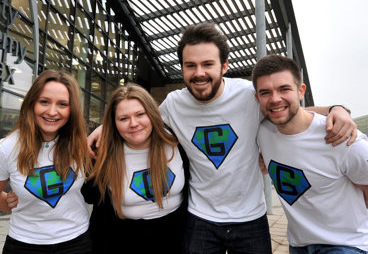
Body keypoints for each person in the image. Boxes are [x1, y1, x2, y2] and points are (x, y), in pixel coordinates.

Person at [87, 23, 357, 254]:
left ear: (224, 66)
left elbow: (290, 110)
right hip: (200, 218)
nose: (199, 72)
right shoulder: (172, 104)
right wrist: (106, 128)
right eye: (190, 65)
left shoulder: (248, 95)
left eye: (207, 64)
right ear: (182, 68)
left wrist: (336, 109)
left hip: (250, 217)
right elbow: (137, 119)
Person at [253, 54, 368, 254]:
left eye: (284, 89)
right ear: (257, 98)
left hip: (345, 245)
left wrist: (337, 109)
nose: (275, 99)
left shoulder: (343, 138)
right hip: (298, 244)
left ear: (301, 91)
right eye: (265, 92)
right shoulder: (263, 131)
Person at [81, 83, 187, 253]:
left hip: (175, 239)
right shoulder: (103, 152)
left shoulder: (176, 140)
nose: (133, 123)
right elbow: (89, 195)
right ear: (113, 123)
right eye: (123, 118)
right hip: (121, 241)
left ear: (152, 114)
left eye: (140, 114)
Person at [0, 70, 92, 254]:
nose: (52, 111)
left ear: (71, 109)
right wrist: (4, 202)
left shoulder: (82, 145)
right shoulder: (7, 147)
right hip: (24, 243)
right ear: (31, 103)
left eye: (62, 104)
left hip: (77, 242)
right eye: (44, 101)